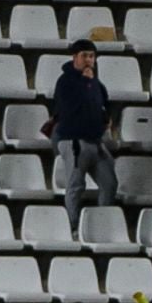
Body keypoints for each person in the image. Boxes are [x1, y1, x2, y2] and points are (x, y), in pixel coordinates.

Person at [53, 40, 116, 232]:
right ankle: (71, 228)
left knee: (109, 183)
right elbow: (70, 109)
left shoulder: (96, 83)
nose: (89, 60)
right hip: (74, 140)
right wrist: (87, 82)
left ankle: (101, 225)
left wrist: (107, 119)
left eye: (91, 56)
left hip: (95, 141)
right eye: (84, 56)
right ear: (75, 58)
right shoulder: (66, 82)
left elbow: (104, 104)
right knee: (76, 186)